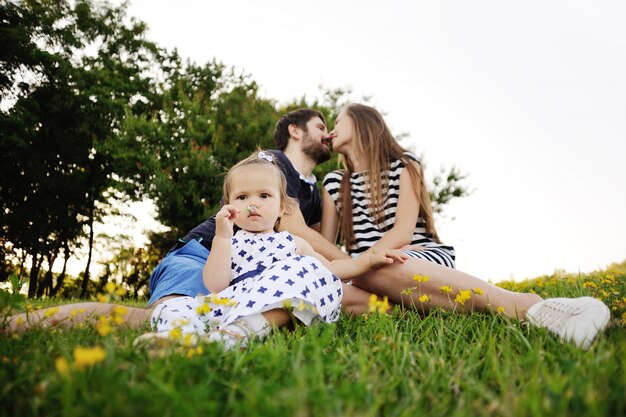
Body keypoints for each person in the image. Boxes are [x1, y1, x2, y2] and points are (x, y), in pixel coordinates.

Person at [318, 103, 610, 350]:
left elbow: (403, 232)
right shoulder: (333, 183)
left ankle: (531, 307)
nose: (332, 128)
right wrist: (356, 269)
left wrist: (365, 263)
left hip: (414, 257)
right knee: (335, 292)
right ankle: (441, 312)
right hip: (363, 274)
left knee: (385, 266)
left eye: (339, 121)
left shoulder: (404, 164)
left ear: (363, 124)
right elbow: (328, 248)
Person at [136, 151, 407, 349]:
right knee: (176, 306)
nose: (253, 204)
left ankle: (233, 336)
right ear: (229, 205)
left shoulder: (291, 241)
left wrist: (370, 261)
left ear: (280, 208)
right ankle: (177, 337)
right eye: (242, 197)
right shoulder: (229, 240)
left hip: (276, 297)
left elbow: (332, 270)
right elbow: (216, 285)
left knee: (307, 268)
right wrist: (221, 237)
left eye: (264, 196)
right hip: (234, 300)